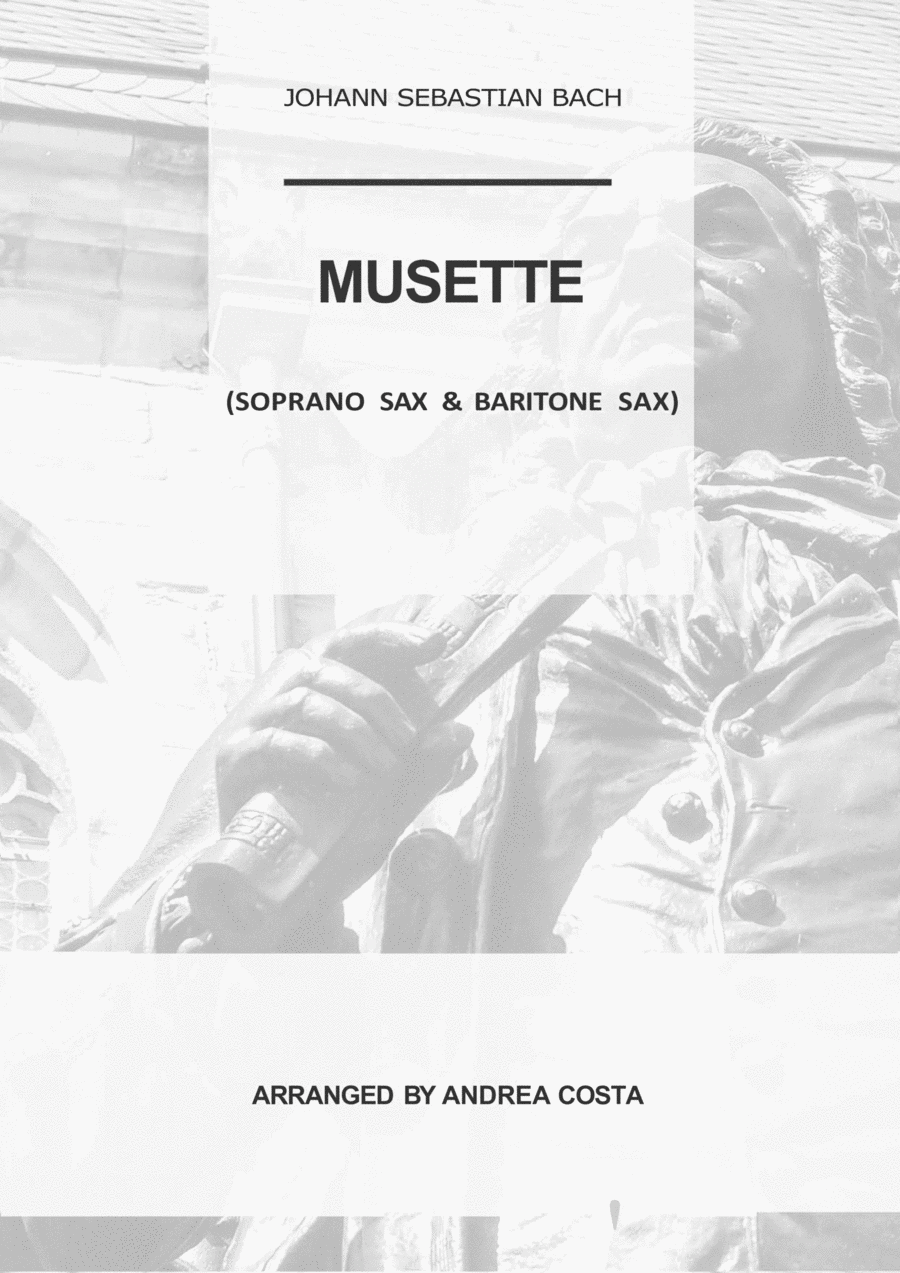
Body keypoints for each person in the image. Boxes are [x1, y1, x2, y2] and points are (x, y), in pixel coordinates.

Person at [33, 117, 900, 1269]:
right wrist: (243, 933)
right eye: (599, 254)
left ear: (840, 303)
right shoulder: (391, 664)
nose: (652, 262)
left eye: (722, 231)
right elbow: (69, 1204)